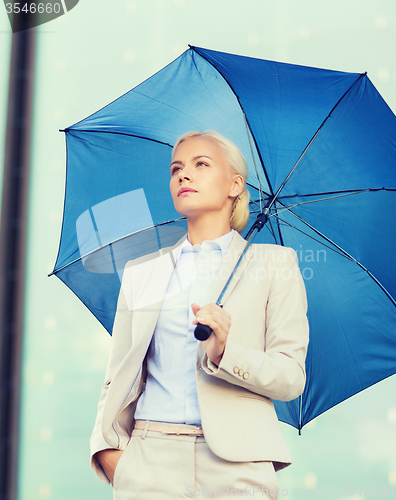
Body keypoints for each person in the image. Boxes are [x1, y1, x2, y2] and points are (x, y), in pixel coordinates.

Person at [90, 130, 309, 499]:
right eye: (176, 168)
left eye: (200, 164)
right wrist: (110, 454)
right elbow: (117, 377)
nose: (183, 175)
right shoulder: (142, 271)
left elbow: (291, 376)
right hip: (148, 460)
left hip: (237, 467)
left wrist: (226, 353)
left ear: (235, 184)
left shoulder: (275, 264)